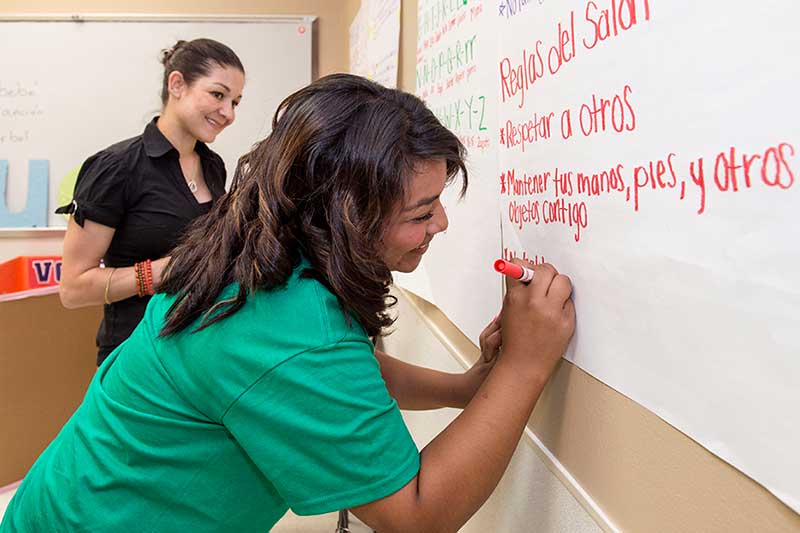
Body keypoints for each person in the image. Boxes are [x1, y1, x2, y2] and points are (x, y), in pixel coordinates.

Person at [1, 74, 575, 532]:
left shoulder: (267, 246)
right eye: (422, 213)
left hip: (67, 500)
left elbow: (339, 374)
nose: (441, 224)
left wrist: (466, 389)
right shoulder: (287, 323)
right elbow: (416, 515)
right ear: (345, 217)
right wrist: (523, 367)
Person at [56, 38, 245, 365]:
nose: (228, 113)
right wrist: (162, 272)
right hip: (136, 358)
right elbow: (73, 289)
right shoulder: (115, 168)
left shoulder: (213, 166)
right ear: (177, 85)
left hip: (197, 355)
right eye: (218, 94)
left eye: (235, 102)